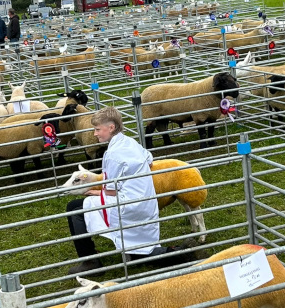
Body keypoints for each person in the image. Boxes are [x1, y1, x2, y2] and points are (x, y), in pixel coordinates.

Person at [65, 107, 193, 274]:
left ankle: (90, 262)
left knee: (75, 211)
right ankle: (145, 253)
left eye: (97, 129)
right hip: (146, 203)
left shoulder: (111, 154)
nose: (95, 134)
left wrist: (93, 192)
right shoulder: (130, 142)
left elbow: (110, 192)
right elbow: (150, 162)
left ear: (111, 127)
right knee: (76, 206)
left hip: (128, 207)